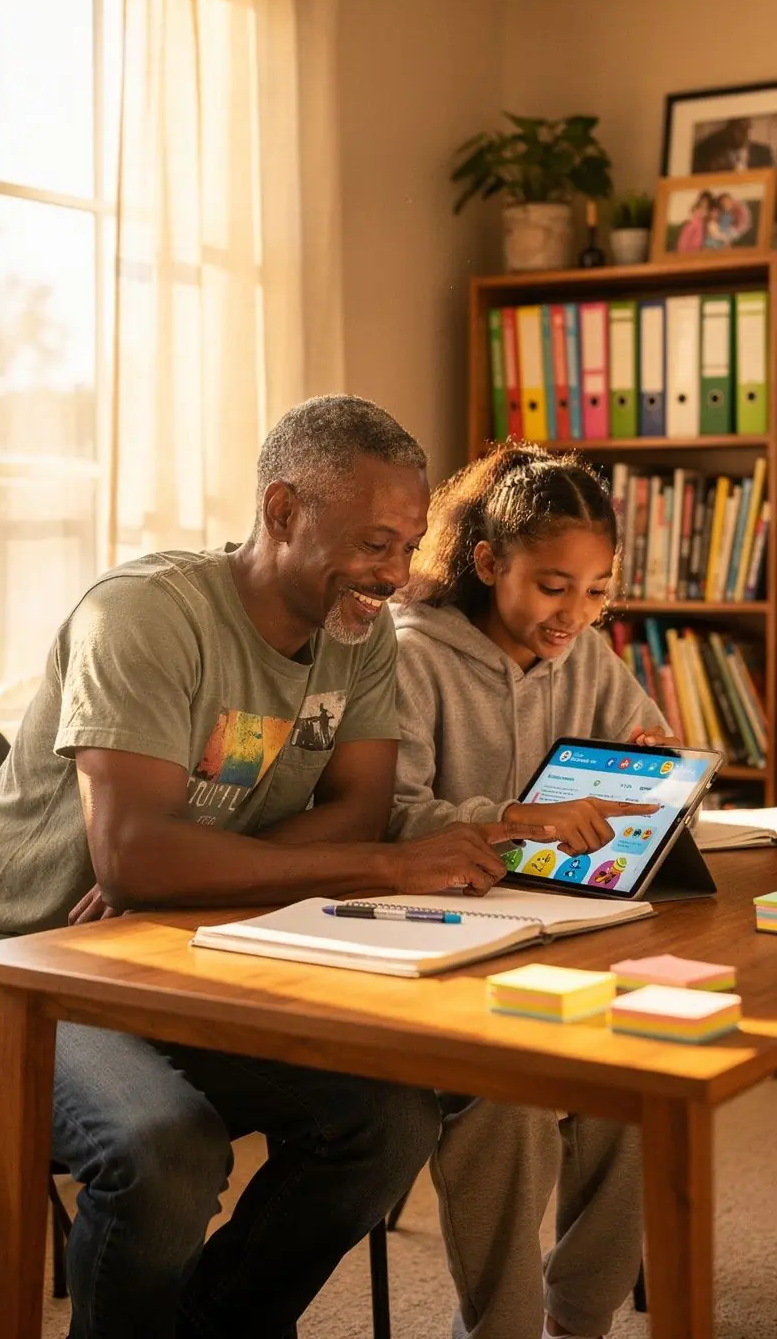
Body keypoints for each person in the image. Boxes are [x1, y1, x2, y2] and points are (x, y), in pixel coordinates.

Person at [0, 397, 553, 1339]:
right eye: (373, 545)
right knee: (165, 1148)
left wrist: (180, 871)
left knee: (390, 1121)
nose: (397, 577)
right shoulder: (144, 617)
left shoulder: (359, 636)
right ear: (282, 512)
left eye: (408, 545)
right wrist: (384, 865)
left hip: (167, 950)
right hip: (6, 965)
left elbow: (348, 808)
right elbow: (138, 855)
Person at [388, 443, 674, 1339]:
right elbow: (391, 818)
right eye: (554, 586)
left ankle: (578, 1322)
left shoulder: (584, 657)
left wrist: (657, 776)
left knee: (644, 1076)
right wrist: (515, 818)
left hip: (557, 938)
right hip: (436, 942)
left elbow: (651, 762)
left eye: (597, 592)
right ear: (487, 562)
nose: (575, 614)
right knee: (505, 1105)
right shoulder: (411, 657)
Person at [691, 116, 774, 173]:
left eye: (742, 129)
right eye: (733, 129)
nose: (736, 135)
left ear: (748, 129)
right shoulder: (709, 153)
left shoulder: (764, 153)